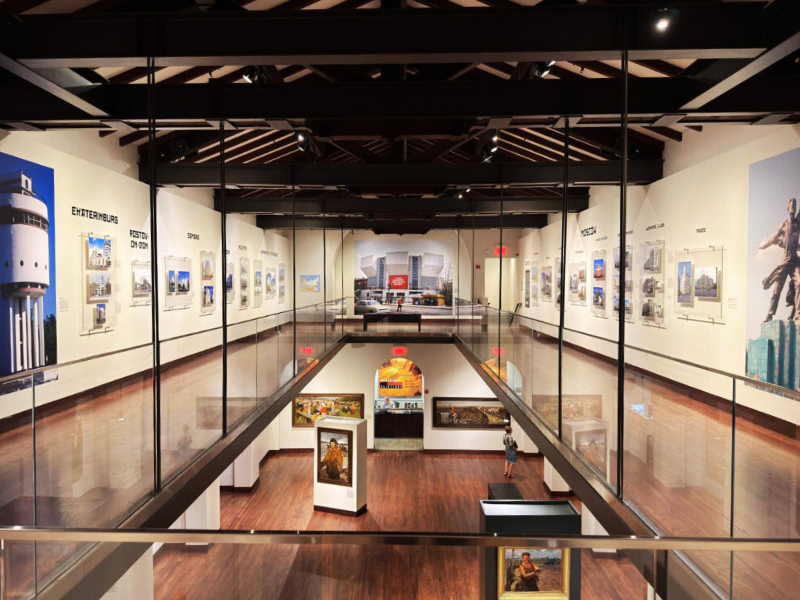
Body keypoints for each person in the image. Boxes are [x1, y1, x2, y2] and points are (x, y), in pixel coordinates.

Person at [761, 198, 800, 321]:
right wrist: (763, 246)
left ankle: (798, 315)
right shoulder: (783, 225)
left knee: (799, 283)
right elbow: (773, 238)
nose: (793, 206)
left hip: (795, 260)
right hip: (785, 259)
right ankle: (770, 314)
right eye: (791, 205)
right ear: (788, 207)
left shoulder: (798, 224)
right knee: (778, 286)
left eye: (795, 205)